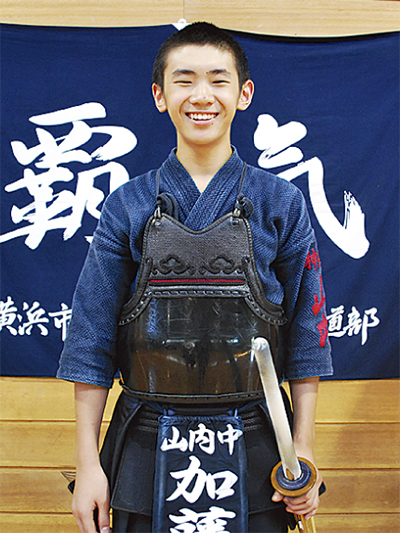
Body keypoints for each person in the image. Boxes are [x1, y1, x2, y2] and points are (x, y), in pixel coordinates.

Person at [57, 22, 333, 533]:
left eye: (218, 80)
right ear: (160, 95)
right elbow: (90, 340)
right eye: (184, 81)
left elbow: (307, 336)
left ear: (243, 94)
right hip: (145, 436)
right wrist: (88, 462)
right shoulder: (127, 205)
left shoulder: (281, 203)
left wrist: (304, 449)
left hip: (257, 437)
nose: (202, 96)